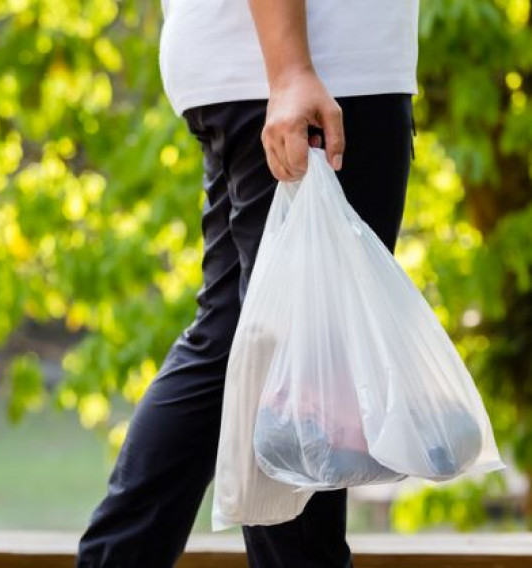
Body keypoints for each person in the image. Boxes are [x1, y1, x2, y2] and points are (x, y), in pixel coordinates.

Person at [76, 0, 418, 566]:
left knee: (236, 344)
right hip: (315, 72)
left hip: (272, 69)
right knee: (299, 360)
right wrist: (289, 71)